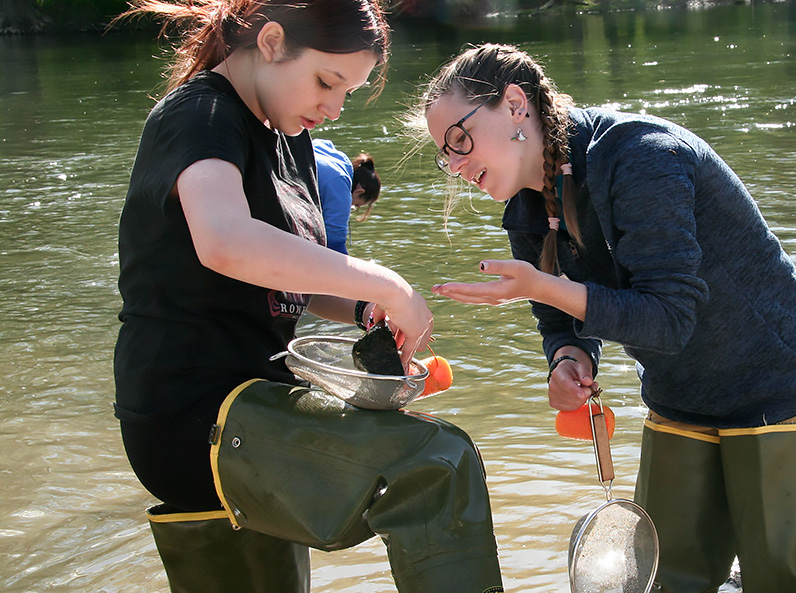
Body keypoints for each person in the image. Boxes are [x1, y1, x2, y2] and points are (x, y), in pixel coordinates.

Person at [419, 43, 796, 593]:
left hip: (780, 389)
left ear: (515, 104)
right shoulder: (527, 212)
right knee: (667, 581)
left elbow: (671, 318)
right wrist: (567, 359)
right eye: (443, 153)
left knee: (789, 583)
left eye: (459, 139)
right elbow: (560, 320)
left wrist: (548, 286)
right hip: (679, 397)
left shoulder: (641, 156)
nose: (455, 165)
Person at [112, 2, 503, 591]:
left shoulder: (286, 133)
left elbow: (295, 280)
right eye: (326, 82)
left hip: (259, 399)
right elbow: (224, 242)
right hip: (191, 408)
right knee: (436, 464)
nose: (333, 108)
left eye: (348, 92)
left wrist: (366, 310)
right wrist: (385, 284)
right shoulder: (199, 114)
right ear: (271, 41)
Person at [312, 137, 381, 254]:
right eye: (356, 205)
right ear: (359, 192)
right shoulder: (340, 185)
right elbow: (335, 243)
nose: (350, 207)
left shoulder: (330, 157)